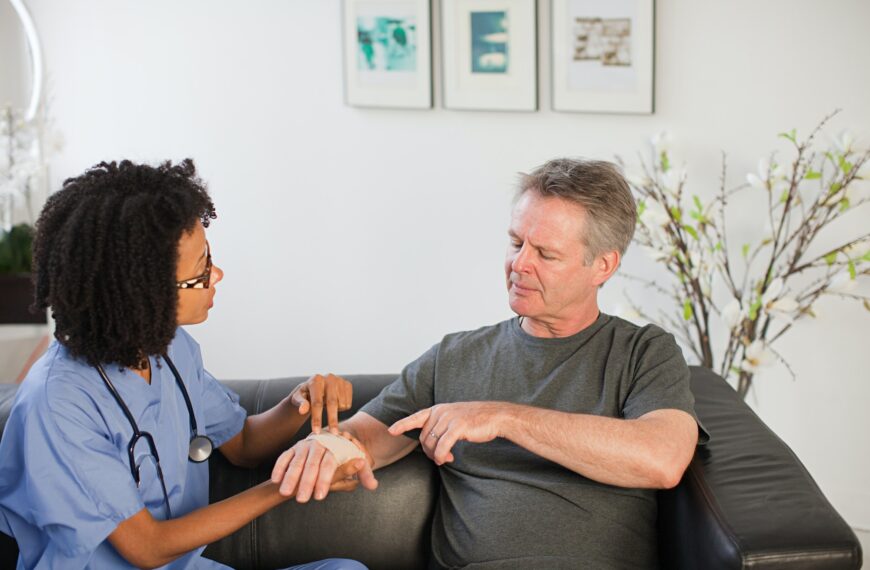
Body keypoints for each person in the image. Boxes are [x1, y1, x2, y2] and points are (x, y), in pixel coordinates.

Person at [271, 158, 709, 569]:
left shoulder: (643, 352)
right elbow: (369, 437)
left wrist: (502, 417)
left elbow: (662, 458)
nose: (519, 264)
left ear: (603, 266)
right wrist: (326, 447)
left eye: (546, 254)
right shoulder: (455, 356)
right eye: (516, 242)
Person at [0, 160, 367, 570]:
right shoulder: (59, 403)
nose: (217, 275)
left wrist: (302, 402)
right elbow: (148, 547)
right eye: (201, 271)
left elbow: (243, 445)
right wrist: (286, 485)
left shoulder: (170, 350)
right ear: (143, 292)